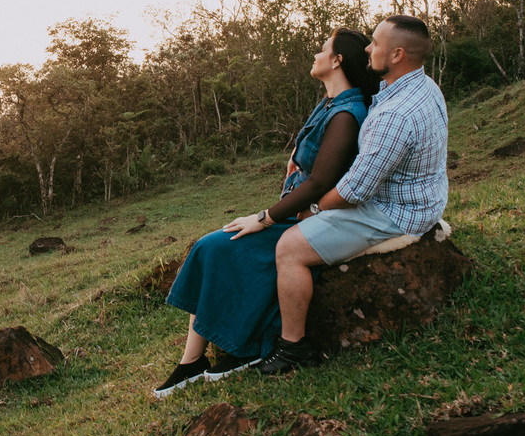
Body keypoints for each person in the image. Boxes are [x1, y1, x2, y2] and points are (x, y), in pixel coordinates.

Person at [153, 28, 379, 398]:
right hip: (294, 209)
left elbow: (320, 181)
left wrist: (264, 218)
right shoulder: (329, 104)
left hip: (310, 216)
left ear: (338, 60)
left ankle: (234, 351)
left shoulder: (348, 114)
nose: (316, 54)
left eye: (323, 49)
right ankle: (191, 363)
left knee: (218, 247)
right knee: (212, 247)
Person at [252, 14, 448, 375]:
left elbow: (355, 190)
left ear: (397, 55)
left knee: (289, 248)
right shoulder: (423, 86)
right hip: (425, 196)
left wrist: (313, 208)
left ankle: (292, 348)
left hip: (394, 211)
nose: (369, 48)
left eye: (375, 43)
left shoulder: (394, 115)